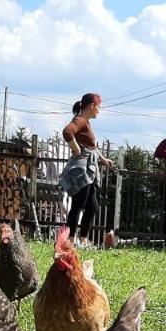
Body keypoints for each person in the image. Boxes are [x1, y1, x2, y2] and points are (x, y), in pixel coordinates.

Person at [59, 92, 112, 247]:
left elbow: (92, 147)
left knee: (92, 206)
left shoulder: (86, 123)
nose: (99, 110)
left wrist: (102, 159)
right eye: (98, 107)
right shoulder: (80, 120)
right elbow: (67, 131)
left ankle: (82, 239)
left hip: (89, 170)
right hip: (82, 169)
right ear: (91, 106)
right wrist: (75, 149)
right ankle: (69, 241)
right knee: (78, 204)